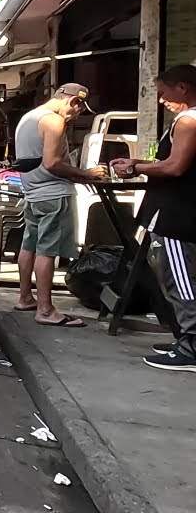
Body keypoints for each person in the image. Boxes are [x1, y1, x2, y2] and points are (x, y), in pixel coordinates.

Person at [112, 65, 196, 371]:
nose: (161, 100)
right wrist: (141, 163)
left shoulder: (188, 120)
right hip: (184, 211)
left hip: (177, 214)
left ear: (183, 88)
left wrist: (136, 168)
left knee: (180, 281)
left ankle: (191, 347)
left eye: (163, 92)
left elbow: (175, 167)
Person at [13, 83, 106, 327]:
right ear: (73, 102)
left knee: (29, 245)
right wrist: (87, 174)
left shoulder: (28, 118)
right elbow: (52, 163)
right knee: (47, 251)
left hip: (32, 194)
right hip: (53, 195)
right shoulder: (54, 121)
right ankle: (45, 309)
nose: (76, 115)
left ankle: (25, 298)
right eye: (78, 110)